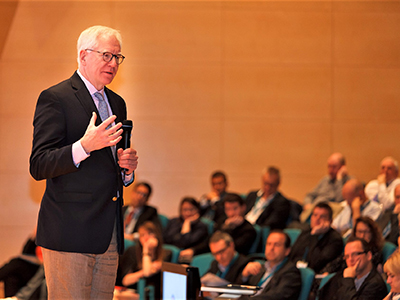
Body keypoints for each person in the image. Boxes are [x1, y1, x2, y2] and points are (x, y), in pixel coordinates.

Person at [29, 25, 138, 300]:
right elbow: (39, 164)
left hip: (108, 234)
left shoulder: (117, 102)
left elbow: (109, 164)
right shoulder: (56, 98)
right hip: (70, 233)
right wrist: (83, 147)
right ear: (83, 56)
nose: (113, 63)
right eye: (106, 55)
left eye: (117, 57)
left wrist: (125, 169)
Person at [318, 237, 387, 300]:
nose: (350, 259)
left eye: (355, 254)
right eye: (347, 256)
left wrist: (348, 279)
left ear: (369, 256)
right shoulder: (341, 276)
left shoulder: (376, 285)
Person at [239, 230, 301, 300]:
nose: (271, 248)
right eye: (269, 244)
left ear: (287, 251)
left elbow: (276, 296)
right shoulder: (261, 267)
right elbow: (240, 290)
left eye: (277, 245)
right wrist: (244, 276)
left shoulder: (291, 273)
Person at [116, 221, 167, 299]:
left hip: (152, 295)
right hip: (131, 292)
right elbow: (126, 281)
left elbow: (147, 273)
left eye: (150, 233)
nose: (146, 238)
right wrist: (150, 268)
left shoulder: (165, 253)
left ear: (157, 235)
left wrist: (146, 251)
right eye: (143, 235)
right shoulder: (132, 251)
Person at [289, 202, 343, 273]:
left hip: (314, 275)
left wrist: (314, 236)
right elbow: (293, 254)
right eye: (315, 215)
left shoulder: (335, 239)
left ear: (330, 221)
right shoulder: (306, 232)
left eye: (322, 216)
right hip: (294, 271)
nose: (317, 219)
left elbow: (316, 263)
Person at [163, 197, 208, 263]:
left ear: (197, 210)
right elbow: (166, 238)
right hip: (169, 254)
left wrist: (187, 224)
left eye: (191, 209)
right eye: (185, 210)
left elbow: (184, 243)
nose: (188, 213)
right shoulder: (174, 221)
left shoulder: (201, 226)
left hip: (186, 258)